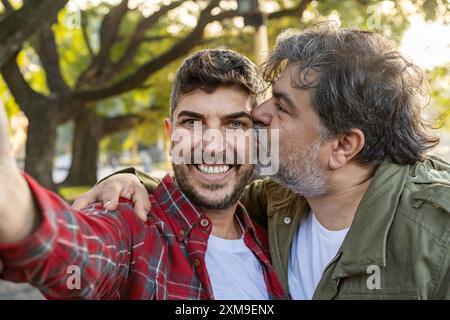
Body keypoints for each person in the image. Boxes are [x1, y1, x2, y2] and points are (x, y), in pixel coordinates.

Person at [76, 25, 450, 299]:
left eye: (283, 107)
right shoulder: (275, 203)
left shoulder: (436, 239)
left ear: (343, 146)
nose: (260, 112)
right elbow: (204, 192)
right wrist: (127, 179)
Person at [0, 49, 285, 300]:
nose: (212, 145)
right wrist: (13, 203)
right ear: (170, 134)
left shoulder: (275, 236)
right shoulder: (134, 227)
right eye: (192, 122)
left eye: (235, 124)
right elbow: (81, 255)